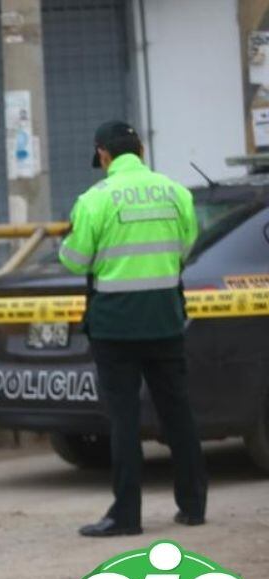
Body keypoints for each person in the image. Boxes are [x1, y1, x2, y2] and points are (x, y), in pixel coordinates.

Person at [58, 120, 207, 537]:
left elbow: (73, 259)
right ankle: (193, 506)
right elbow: (186, 247)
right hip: (165, 320)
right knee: (178, 413)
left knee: (124, 420)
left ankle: (127, 516)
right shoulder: (176, 192)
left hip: (115, 326)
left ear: (103, 154)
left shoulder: (94, 199)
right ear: (140, 150)